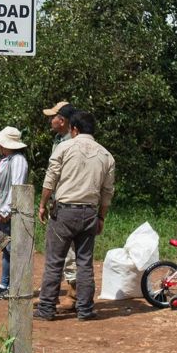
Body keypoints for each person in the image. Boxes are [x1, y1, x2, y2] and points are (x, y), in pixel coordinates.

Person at [34, 111, 115, 321]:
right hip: (89, 213)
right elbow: (107, 192)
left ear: (74, 129)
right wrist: (101, 217)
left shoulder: (64, 147)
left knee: (54, 261)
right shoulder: (106, 155)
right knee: (84, 262)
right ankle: (85, 309)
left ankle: (46, 309)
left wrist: (43, 204)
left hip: (64, 212)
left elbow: (50, 179)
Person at [0, 126, 29, 300]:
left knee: (11, 249)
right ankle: (4, 284)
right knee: (6, 249)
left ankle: (13, 286)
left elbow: (17, 185)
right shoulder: (3, 159)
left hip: (5, 211)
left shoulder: (18, 160)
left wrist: (8, 209)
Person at [42, 101, 79, 308]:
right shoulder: (59, 140)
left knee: (70, 251)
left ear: (62, 120)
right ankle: (54, 295)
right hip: (59, 201)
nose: (50, 120)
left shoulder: (72, 143)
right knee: (56, 250)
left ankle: (73, 294)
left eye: (53, 117)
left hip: (69, 203)